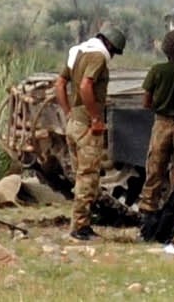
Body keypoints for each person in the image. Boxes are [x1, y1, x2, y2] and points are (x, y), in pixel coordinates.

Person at [56, 24, 125, 240]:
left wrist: (69, 112)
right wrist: (95, 118)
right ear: (110, 46)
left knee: (80, 176)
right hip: (87, 126)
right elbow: (86, 87)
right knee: (88, 177)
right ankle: (80, 227)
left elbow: (59, 84)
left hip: (74, 123)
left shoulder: (77, 53)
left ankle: (81, 222)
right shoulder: (97, 57)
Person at [137, 28, 174, 233]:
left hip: (162, 123)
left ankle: (148, 214)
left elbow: (146, 102)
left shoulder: (156, 71)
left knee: (154, 168)